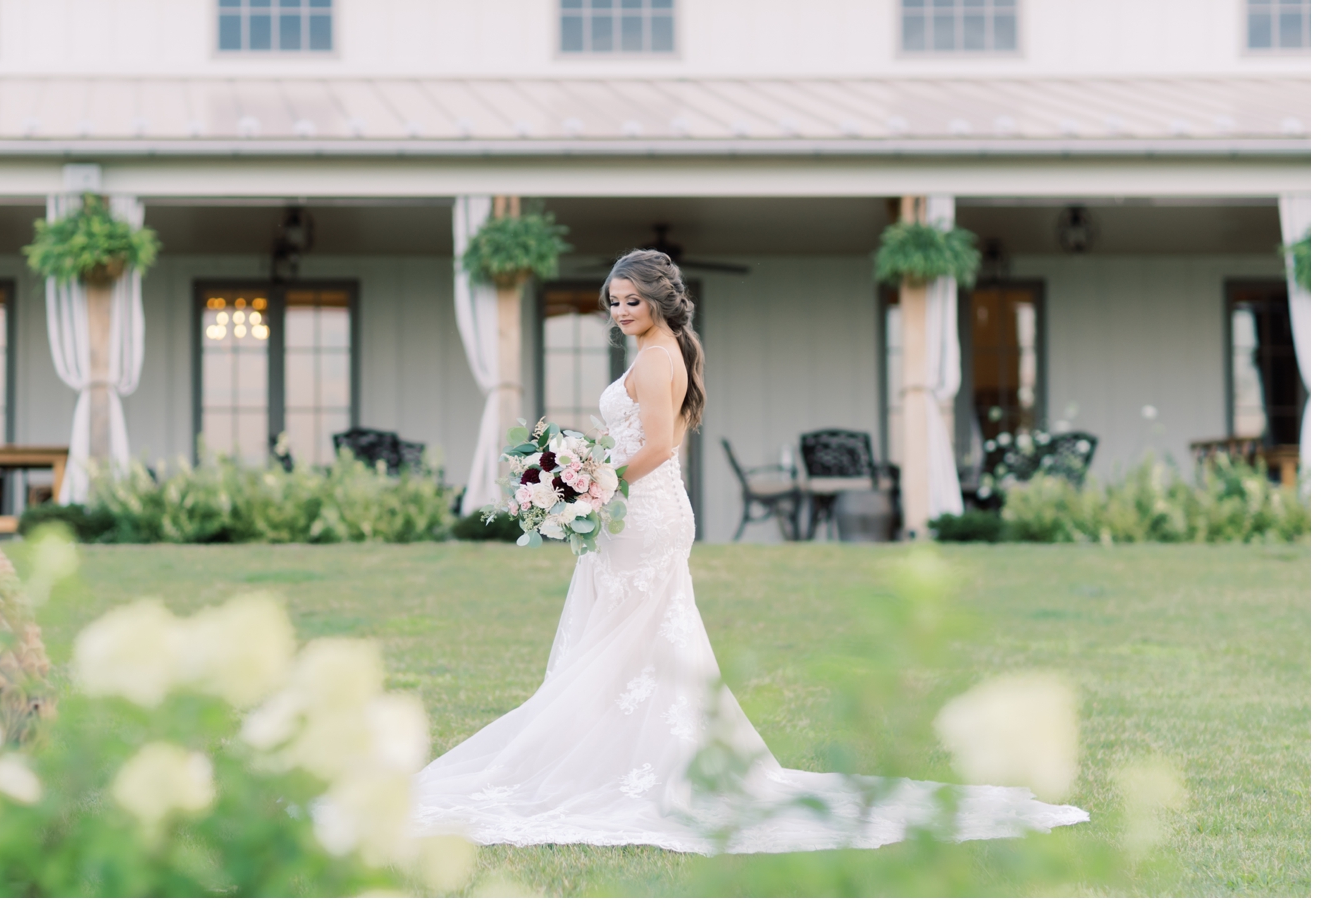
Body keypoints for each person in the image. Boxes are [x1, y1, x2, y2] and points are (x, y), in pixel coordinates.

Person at [413, 248, 1087, 853]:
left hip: (643, 510)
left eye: (632, 301)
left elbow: (656, 448)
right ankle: (618, 755)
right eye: (613, 302)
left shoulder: (654, 359)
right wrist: (581, 476)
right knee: (635, 644)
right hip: (642, 510)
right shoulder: (663, 350)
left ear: (659, 301)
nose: (620, 311)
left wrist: (590, 480)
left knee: (620, 641)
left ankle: (617, 765)